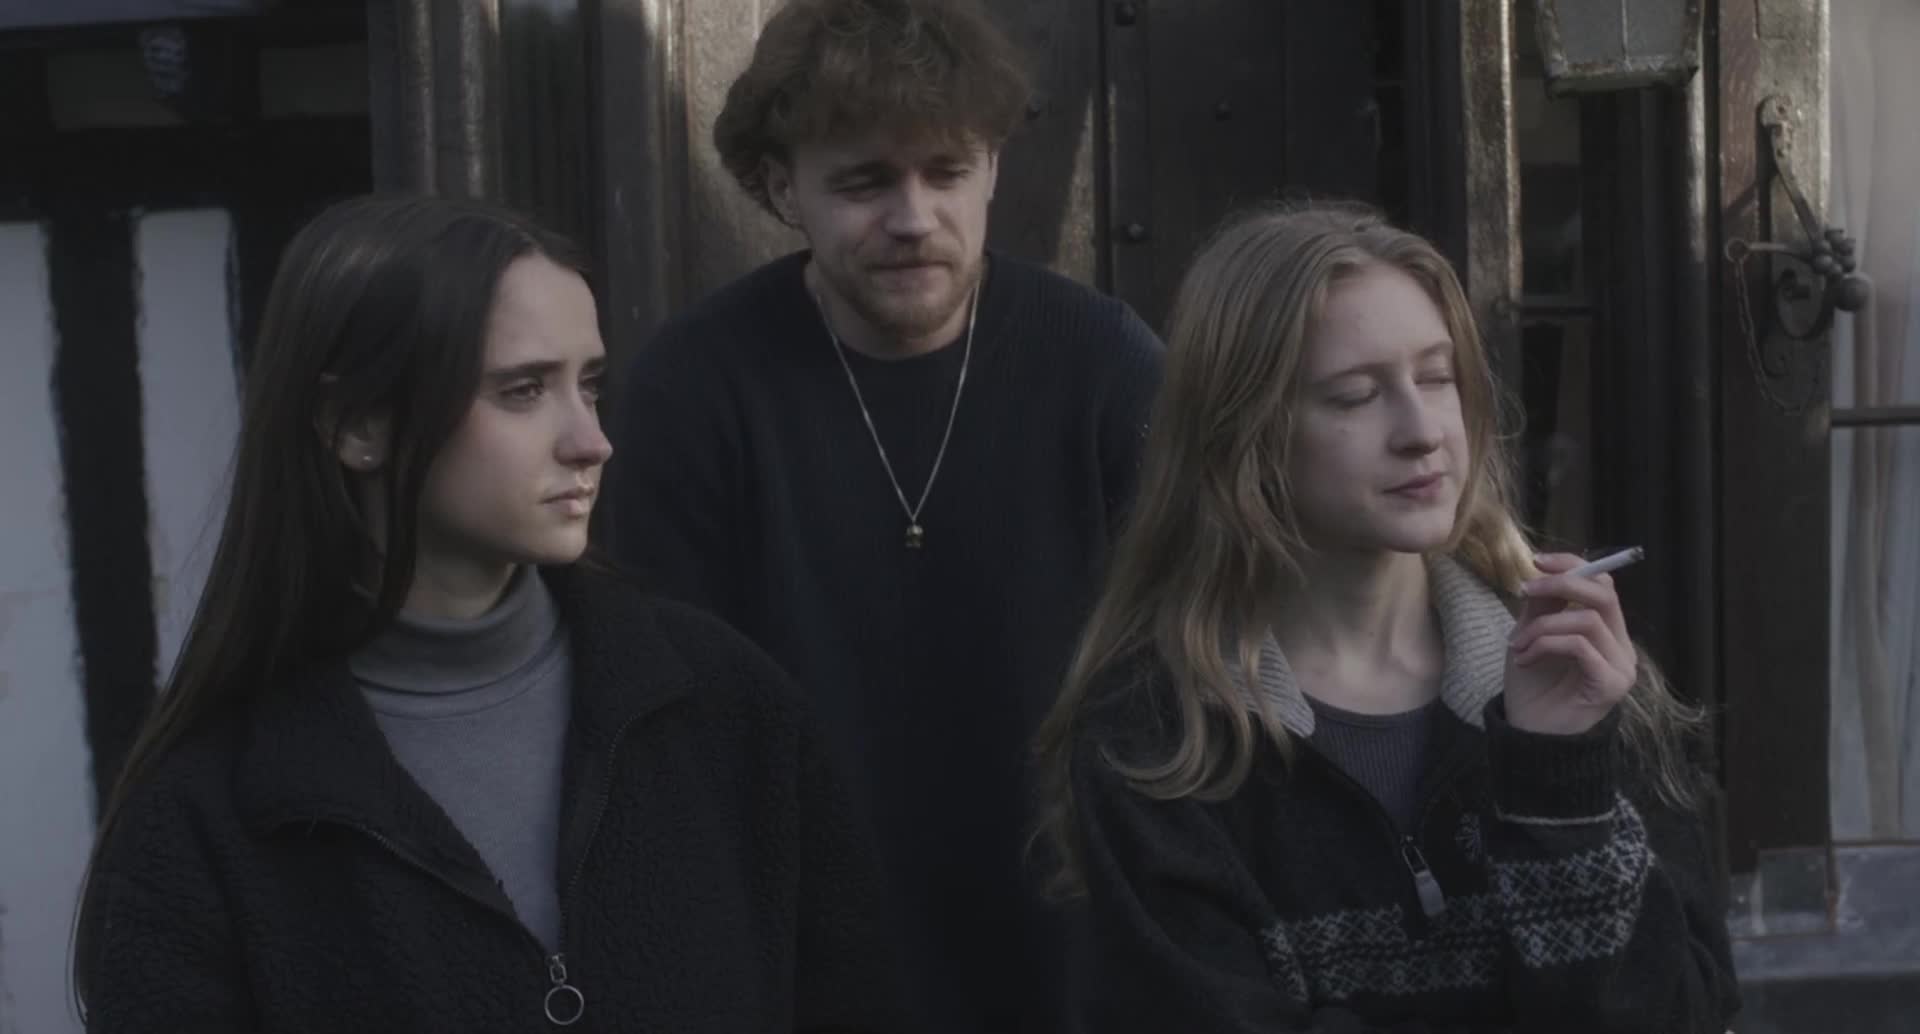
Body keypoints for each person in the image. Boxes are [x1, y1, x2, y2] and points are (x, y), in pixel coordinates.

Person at [72, 196, 906, 1033]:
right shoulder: (210, 809)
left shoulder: (729, 709)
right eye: (523, 390)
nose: (591, 441)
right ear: (357, 424)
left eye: (589, 385)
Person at [1032, 203, 1740, 1034]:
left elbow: (1681, 1016)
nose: (1421, 432)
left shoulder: (1582, 675)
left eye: (1437, 378)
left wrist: (1559, 782)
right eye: (1356, 395)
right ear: (1244, 436)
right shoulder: (1160, 739)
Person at [605, 1, 1164, 1028]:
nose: (913, 218)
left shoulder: (1104, 366)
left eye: (946, 172)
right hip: (803, 959)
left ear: (992, 169)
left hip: (1081, 958)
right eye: (864, 182)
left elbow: (1202, 663)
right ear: (782, 187)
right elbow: (663, 724)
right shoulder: (695, 389)